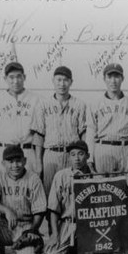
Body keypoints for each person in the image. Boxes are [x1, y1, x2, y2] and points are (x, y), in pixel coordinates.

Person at [37, 140, 93, 254]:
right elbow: (53, 209)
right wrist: (55, 234)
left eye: (81, 154)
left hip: (89, 225)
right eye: (73, 155)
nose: (77, 158)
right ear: (69, 157)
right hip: (68, 224)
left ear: (88, 156)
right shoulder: (61, 176)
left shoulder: (96, 176)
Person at [31, 66, 87, 195]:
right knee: (50, 192)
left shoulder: (79, 104)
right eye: (59, 80)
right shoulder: (43, 104)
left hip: (72, 154)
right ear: (53, 81)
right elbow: (39, 135)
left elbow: (83, 134)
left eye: (66, 80)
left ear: (71, 82)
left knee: (73, 191)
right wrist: (39, 162)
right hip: (51, 154)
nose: (62, 84)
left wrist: (84, 158)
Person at [0, 62, 42, 175]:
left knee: (27, 188)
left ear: (24, 77)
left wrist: (38, 160)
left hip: (26, 151)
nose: (16, 81)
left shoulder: (36, 99)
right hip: (4, 150)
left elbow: (38, 133)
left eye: (19, 76)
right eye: (11, 77)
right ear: (5, 78)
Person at [85, 63, 128, 174]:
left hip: (125, 149)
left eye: (117, 77)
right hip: (103, 148)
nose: (113, 81)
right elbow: (90, 133)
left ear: (122, 78)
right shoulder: (95, 104)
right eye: (109, 77)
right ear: (104, 79)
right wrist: (89, 159)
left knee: (127, 187)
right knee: (103, 186)